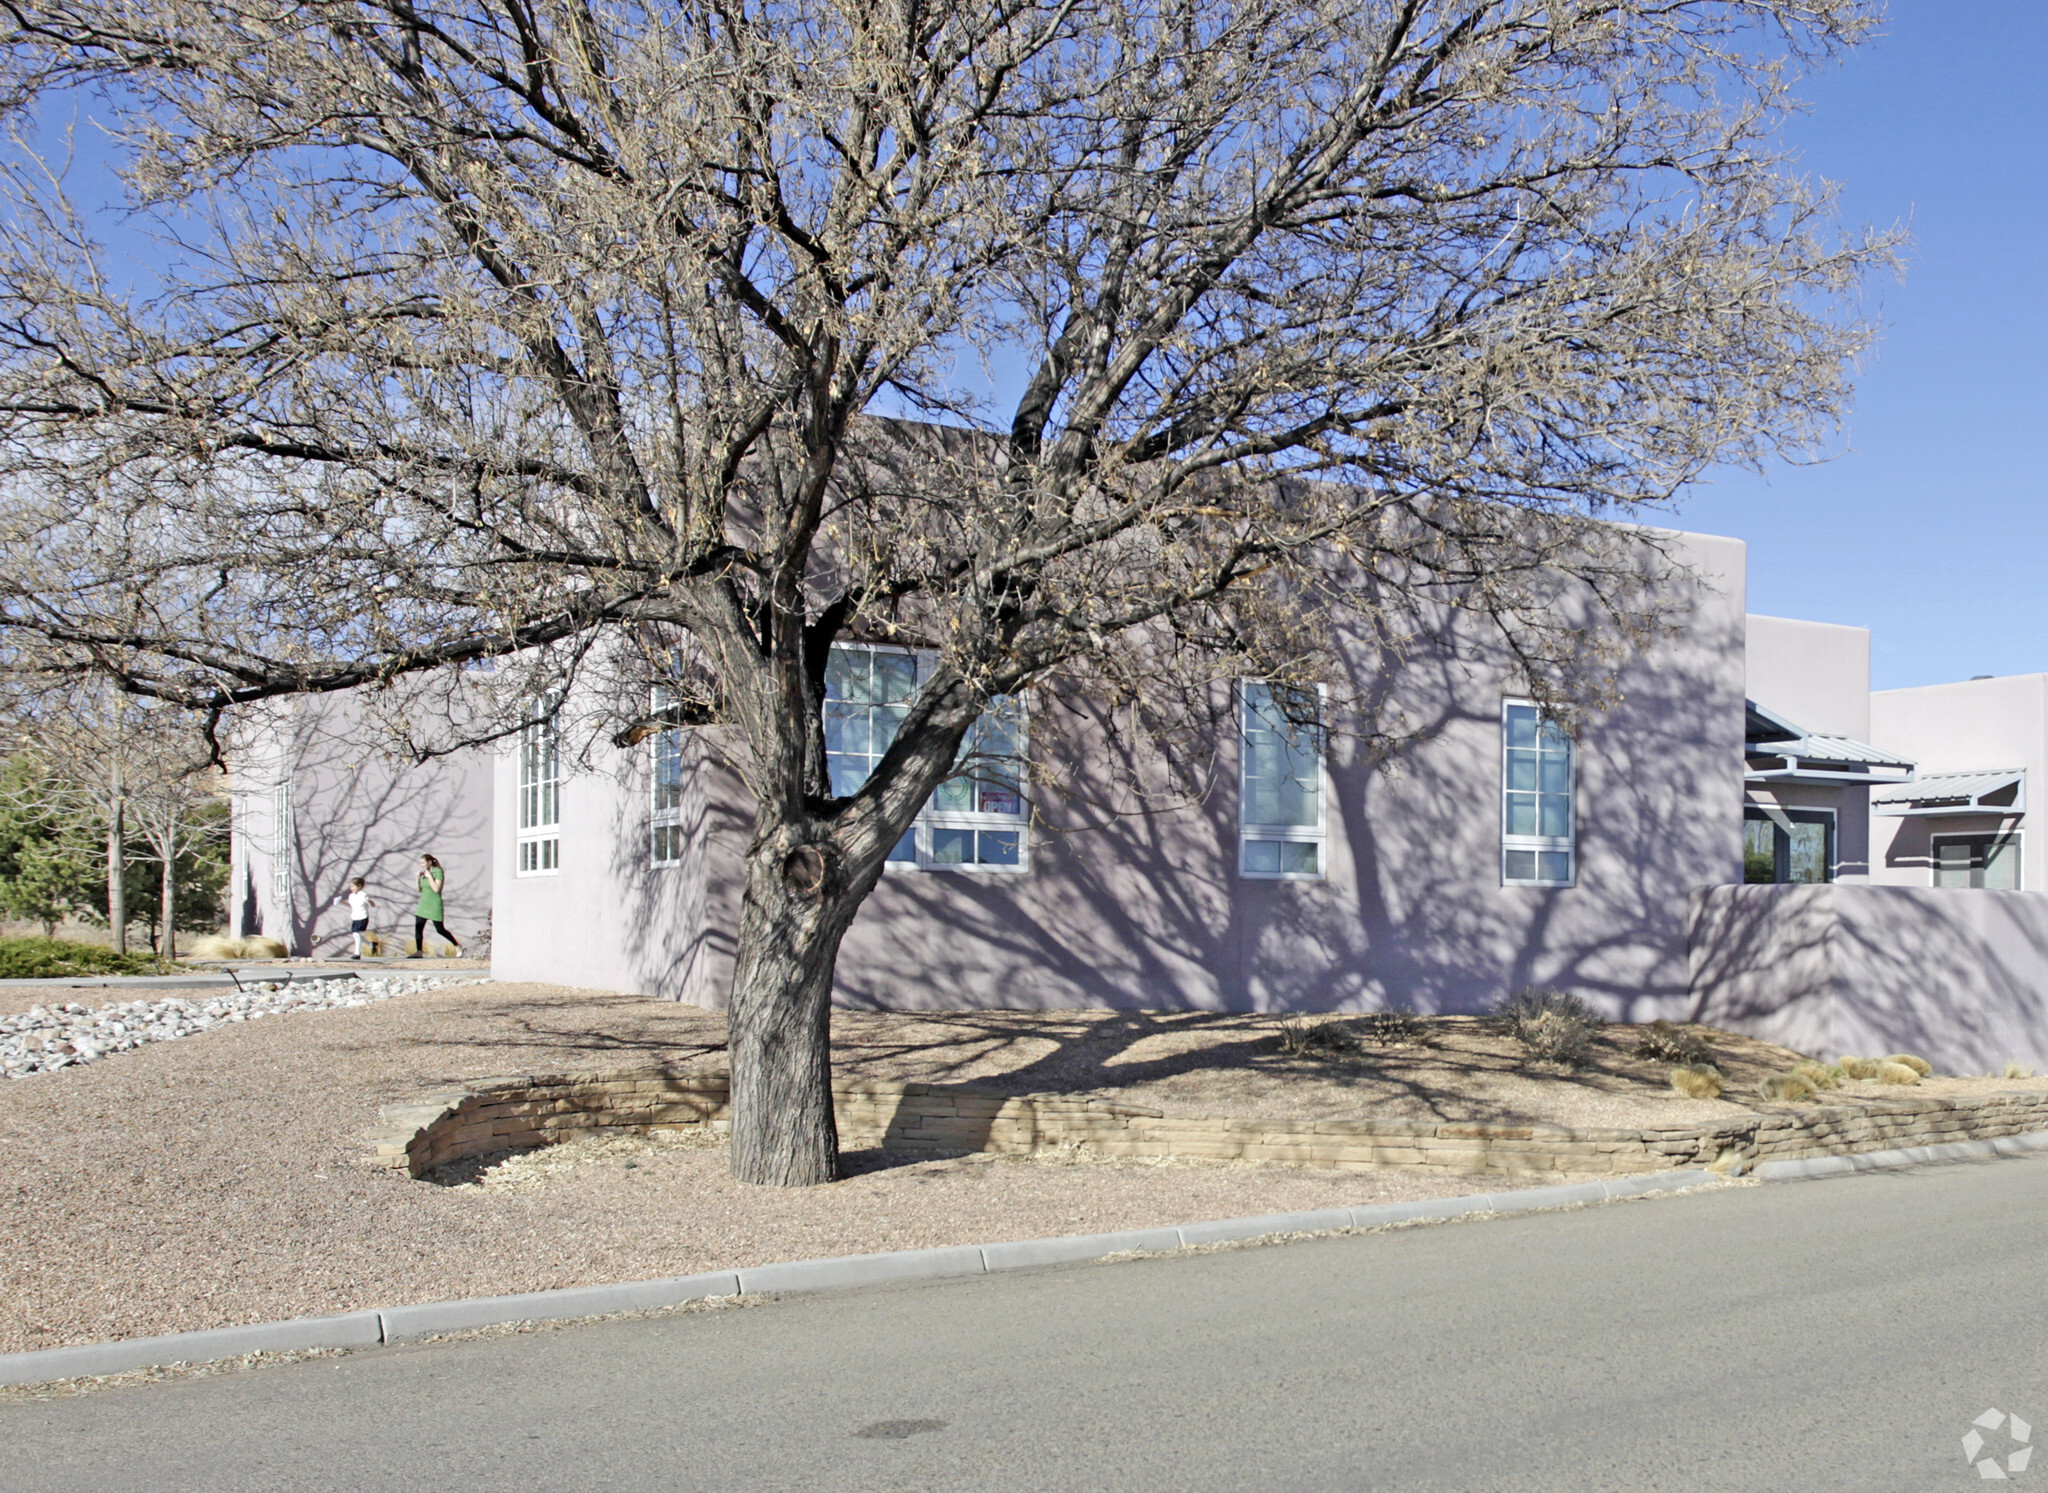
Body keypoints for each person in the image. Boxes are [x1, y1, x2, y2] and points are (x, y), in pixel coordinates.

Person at [411, 854, 460, 958]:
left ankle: (457, 946)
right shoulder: (425, 873)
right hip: (423, 904)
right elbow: (418, 890)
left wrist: (429, 877)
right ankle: (419, 951)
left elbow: (437, 889)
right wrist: (417, 878)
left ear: (429, 862)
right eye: (420, 863)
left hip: (434, 904)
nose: (422, 865)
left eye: (423, 862)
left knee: (440, 929)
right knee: (418, 928)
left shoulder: (438, 872)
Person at [338, 876, 374, 959]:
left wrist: (369, 901)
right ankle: (370, 944)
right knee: (356, 934)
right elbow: (351, 905)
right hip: (355, 917)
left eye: (353, 886)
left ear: (360, 886)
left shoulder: (363, 895)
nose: (351, 888)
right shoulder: (351, 896)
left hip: (362, 917)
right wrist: (341, 902)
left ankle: (357, 954)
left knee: (356, 934)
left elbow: (373, 905)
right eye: (350, 886)